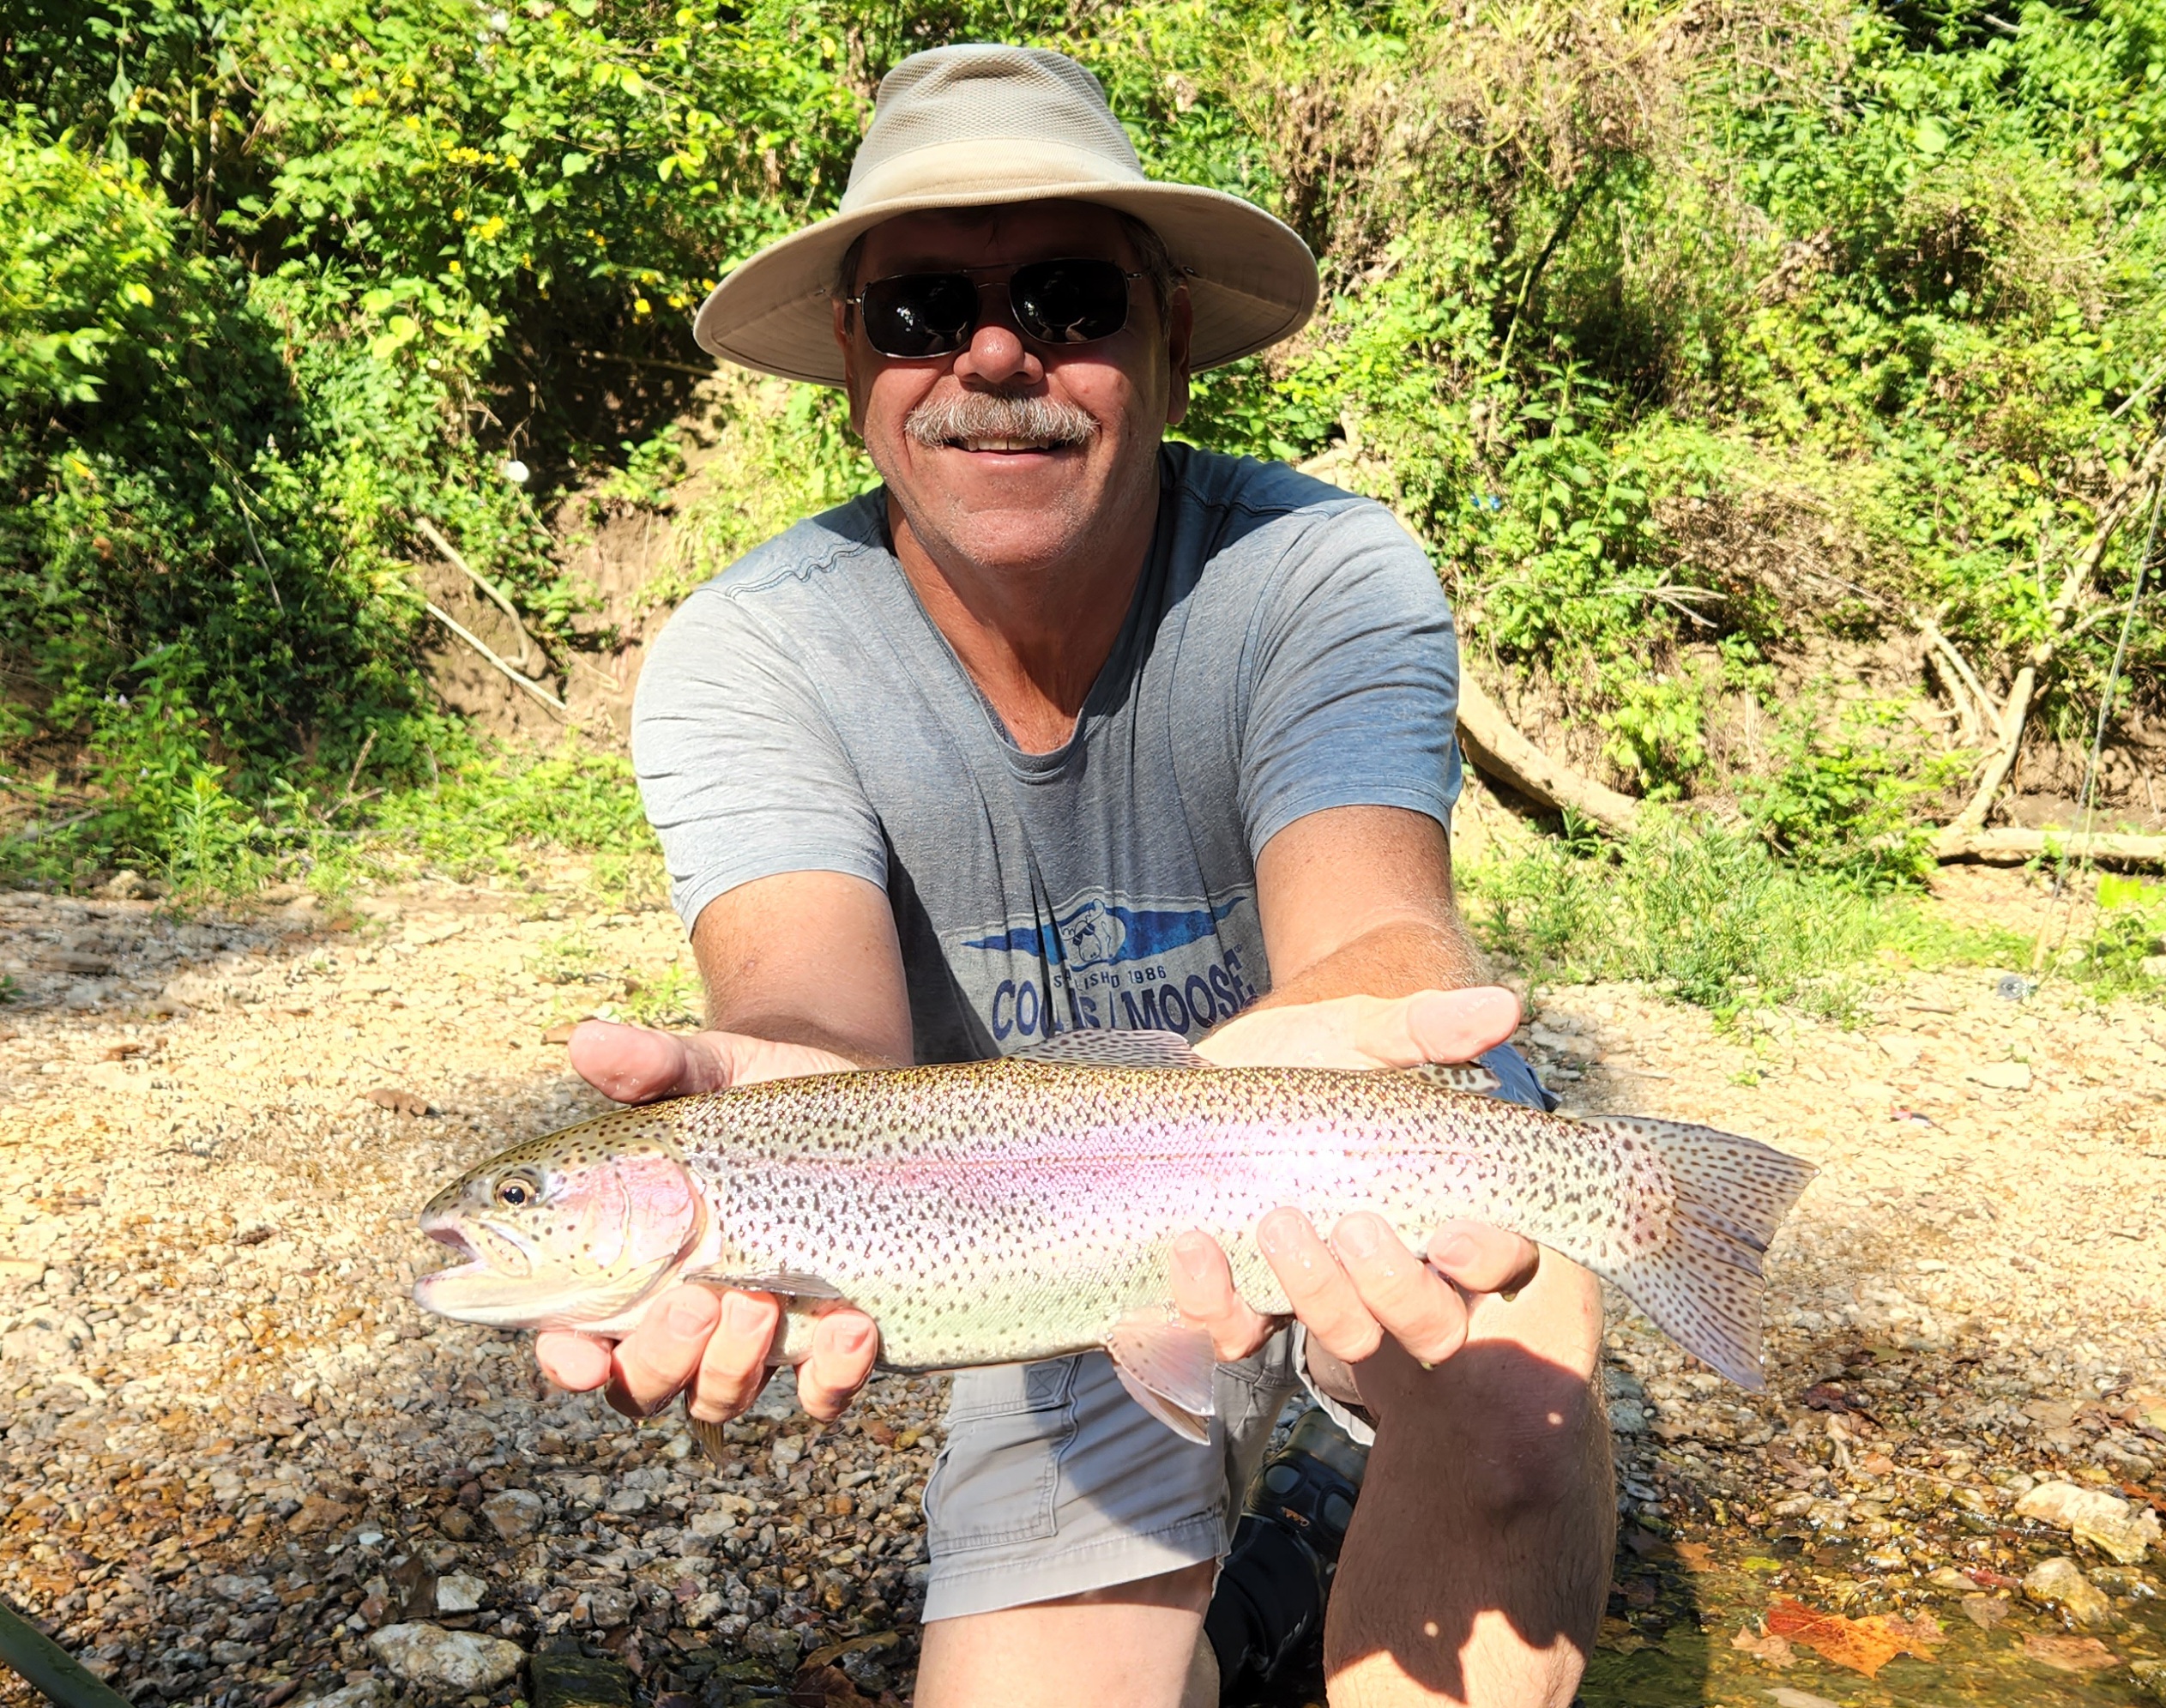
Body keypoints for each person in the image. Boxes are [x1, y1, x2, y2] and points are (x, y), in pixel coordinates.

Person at [534, 43, 1613, 1708]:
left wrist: (1293, 1066)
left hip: (1352, 1142)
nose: (989, 353)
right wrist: (763, 1115)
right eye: (917, 312)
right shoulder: (746, 657)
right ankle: (1275, 1558)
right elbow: (811, 1027)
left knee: (1501, 1408)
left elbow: (1384, 938)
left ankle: (1348, 1482)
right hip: (1032, 1222)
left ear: (1168, 346)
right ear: (851, 362)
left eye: (1065, 298)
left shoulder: (1315, 571)